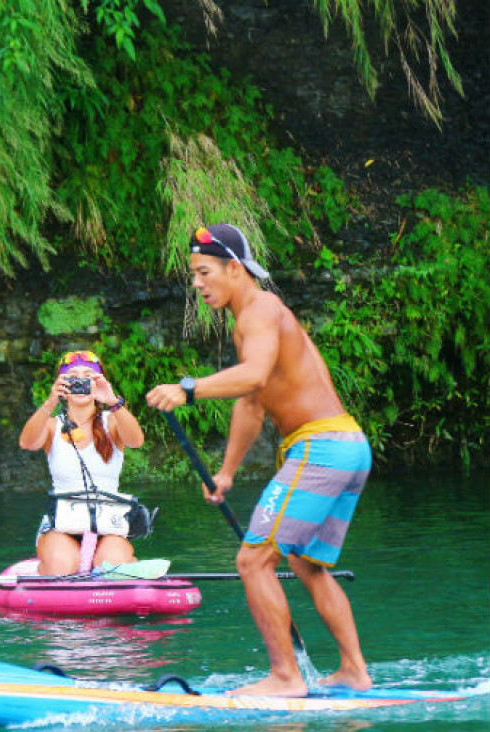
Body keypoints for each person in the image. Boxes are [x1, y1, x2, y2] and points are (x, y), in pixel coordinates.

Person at [146, 223, 372, 698]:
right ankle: (354, 671)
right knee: (306, 564)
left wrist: (188, 389)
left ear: (234, 268)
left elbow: (253, 375)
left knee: (252, 561)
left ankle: (286, 678)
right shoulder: (251, 319)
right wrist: (227, 472)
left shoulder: (262, 309)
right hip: (348, 447)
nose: (197, 284)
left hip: (321, 447)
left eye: (204, 272)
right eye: (193, 275)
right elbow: (252, 402)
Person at [19, 350, 145, 575]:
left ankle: (127, 562)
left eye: (88, 376)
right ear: (62, 386)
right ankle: (47, 566)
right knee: (62, 564)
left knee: (113, 565)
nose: (80, 383)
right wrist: (50, 401)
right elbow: (27, 443)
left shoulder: (112, 421)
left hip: (107, 523)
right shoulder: (52, 425)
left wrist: (112, 401)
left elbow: (136, 441)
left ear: (99, 382)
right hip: (61, 525)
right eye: (72, 378)